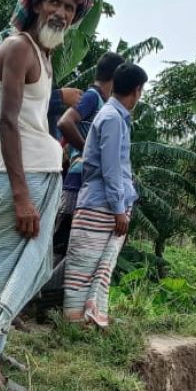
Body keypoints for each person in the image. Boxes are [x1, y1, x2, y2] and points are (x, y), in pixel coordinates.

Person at [0, 0, 94, 391]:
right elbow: (4, 124)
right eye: (54, 2)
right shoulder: (18, 47)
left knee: (25, 274)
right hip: (20, 179)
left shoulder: (43, 52)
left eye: (69, 7)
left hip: (41, 173)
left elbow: (34, 119)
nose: (60, 12)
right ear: (37, 3)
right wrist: (22, 197)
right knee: (2, 273)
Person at [63, 63, 146, 327]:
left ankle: (88, 319)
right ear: (136, 91)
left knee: (93, 266)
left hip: (100, 201)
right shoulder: (112, 118)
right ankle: (78, 321)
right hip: (102, 205)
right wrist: (119, 209)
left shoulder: (112, 115)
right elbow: (111, 168)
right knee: (87, 266)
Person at [55, 52, 124, 254]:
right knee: (63, 242)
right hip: (78, 177)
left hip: (85, 178)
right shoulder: (93, 97)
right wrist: (89, 150)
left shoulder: (104, 103)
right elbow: (65, 122)